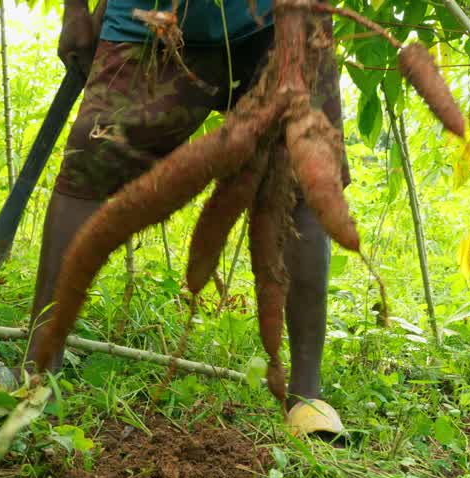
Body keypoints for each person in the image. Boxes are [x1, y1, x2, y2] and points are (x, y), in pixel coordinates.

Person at [26, 0, 344, 434]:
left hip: (284, 19)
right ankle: (37, 368)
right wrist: (75, 10)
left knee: (302, 174)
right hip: (149, 18)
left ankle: (307, 395)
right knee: (91, 157)